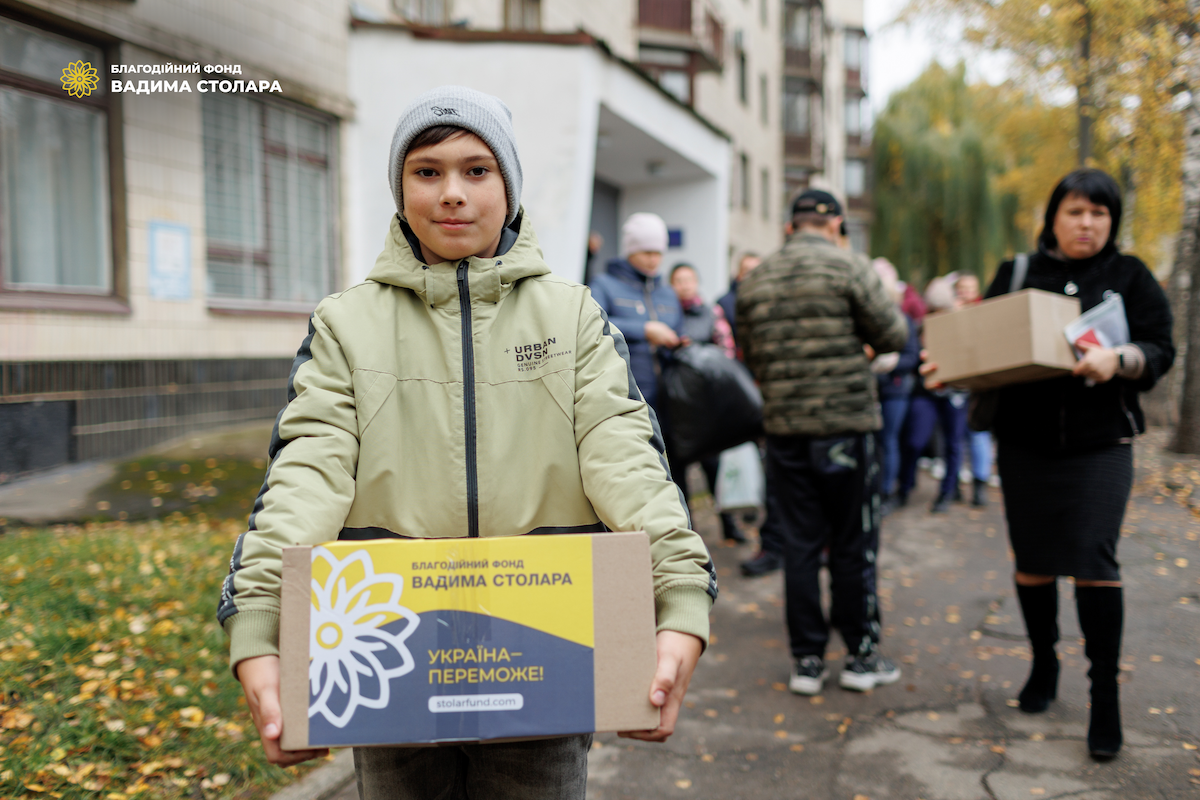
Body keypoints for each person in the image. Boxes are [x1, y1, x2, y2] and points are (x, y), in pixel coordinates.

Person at [217, 86, 718, 798]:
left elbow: (628, 461)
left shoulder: (573, 318)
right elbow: (305, 475)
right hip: (390, 659)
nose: (451, 192)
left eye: (476, 170)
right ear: (400, 188)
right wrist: (261, 625)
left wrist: (679, 599)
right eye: (427, 171)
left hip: (545, 658)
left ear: (509, 186)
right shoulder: (344, 325)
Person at [926, 168, 1174, 760]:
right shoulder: (1018, 274)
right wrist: (949, 365)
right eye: (1075, 212)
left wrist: (1123, 359)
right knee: (1034, 562)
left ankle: (1104, 695)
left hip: (1101, 446)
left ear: (1111, 222)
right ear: (1053, 216)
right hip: (1025, 444)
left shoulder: (1129, 277)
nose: (1087, 224)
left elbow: (1161, 348)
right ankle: (1043, 664)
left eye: (1099, 214)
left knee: (1094, 558)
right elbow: (982, 345)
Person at [737, 189, 909, 695]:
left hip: (786, 432)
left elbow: (752, 355)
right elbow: (895, 335)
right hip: (846, 428)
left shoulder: (757, 277)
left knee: (800, 546)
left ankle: (807, 660)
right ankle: (860, 655)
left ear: (791, 226)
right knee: (854, 543)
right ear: (834, 223)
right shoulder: (849, 267)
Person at [667, 262, 745, 544]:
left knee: (715, 470)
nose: (685, 285)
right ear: (671, 284)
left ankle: (729, 524)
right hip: (676, 410)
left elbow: (727, 353)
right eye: (679, 280)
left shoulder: (712, 313)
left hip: (706, 409)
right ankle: (690, 533)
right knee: (679, 475)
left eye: (689, 279)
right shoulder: (667, 313)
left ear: (697, 282)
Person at [589, 213, 684, 413]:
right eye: (647, 252)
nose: (654, 259)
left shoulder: (667, 293)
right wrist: (644, 330)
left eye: (658, 253)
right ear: (630, 250)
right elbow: (593, 324)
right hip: (624, 398)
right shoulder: (604, 285)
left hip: (670, 402)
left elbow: (681, 326)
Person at [896, 277, 968, 513]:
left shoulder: (961, 326)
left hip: (954, 392)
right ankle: (903, 487)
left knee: (952, 444)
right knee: (914, 440)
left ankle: (947, 492)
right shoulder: (919, 327)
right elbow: (912, 357)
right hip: (925, 392)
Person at [871, 259, 921, 514]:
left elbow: (912, 356)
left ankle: (888, 490)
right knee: (873, 443)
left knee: (888, 441)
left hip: (895, 390)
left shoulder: (903, 320)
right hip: (871, 389)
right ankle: (873, 489)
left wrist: (893, 363)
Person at [955, 273, 993, 506]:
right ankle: (955, 483)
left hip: (979, 382)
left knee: (979, 434)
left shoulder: (985, 311)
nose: (966, 292)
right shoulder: (951, 312)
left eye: (970, 288)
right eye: (962, 288)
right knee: (955, 437)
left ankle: (980, 484)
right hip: (956, 384)